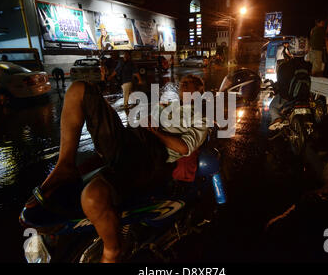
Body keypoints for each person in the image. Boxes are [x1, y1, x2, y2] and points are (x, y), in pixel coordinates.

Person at [24, 74, 209, 263]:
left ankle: (112, 250)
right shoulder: (167, 106)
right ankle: (65, 166)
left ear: (200, 92)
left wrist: (155, 131)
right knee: (79, 89)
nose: (183, 85)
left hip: (150, 155)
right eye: (182, 83)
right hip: (129, 140)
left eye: (190, 83)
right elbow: (137, 123)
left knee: (92, 197)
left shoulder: (200, 118)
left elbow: (184, 148)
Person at [268, 57, 312, 130]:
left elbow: (281, 83)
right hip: (305, 96)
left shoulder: (284, 66)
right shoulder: (308, 64)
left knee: (272, 107)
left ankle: (278, 119)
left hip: (289, 97)